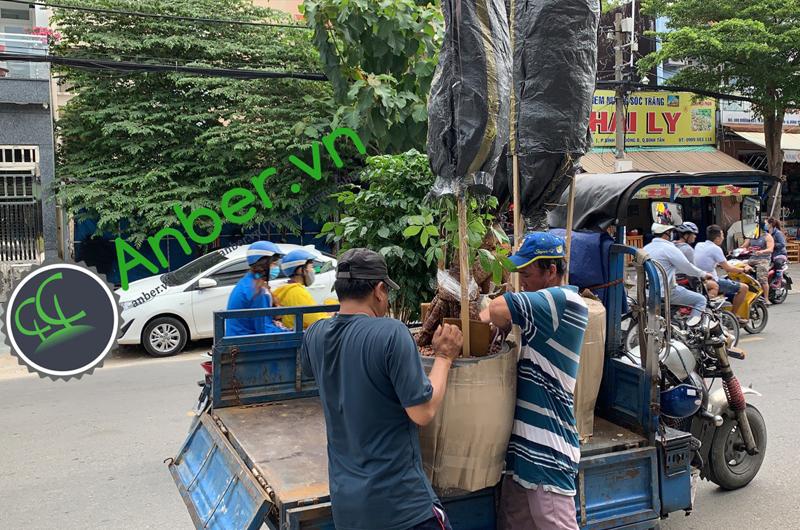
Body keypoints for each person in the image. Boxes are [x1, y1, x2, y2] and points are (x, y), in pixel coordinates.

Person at [299, 248, 463, 530]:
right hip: (401, 508)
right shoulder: (390, 333)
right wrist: (444, 357)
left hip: (348, 511)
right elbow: (422, 411)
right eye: (387, 292)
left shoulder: (315, 334)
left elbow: (318, 373)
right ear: (378, 290)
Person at [478, 233, 588, 530]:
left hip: (547, 455)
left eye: (526, 274)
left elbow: (496, 309)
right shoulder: (545, 307)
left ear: (551, 271)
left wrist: (493, 317)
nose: (521, 282)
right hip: (524, 455)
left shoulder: (563, 301)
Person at [643, 223, 714, 318]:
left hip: (647, 292)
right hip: (666, 292)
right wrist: (703, 274)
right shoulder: (669, 248)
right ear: (666, 233)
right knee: (701, 300)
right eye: (671, 232)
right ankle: (691, 329)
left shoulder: (645, 248)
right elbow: (687, 267)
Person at [225, 241, 288, 337]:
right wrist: (292, 332)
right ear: (263, 264)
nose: (277, 268)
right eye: (274, 264)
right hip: (247, 345)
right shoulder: (258, 291)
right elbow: (264, 330)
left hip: (239, 340)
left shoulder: (247, 282)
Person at [694, 225, 753, 324]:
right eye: (722, 235)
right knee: (744, 288)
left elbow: (704, 260)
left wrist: (715, 263)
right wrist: (743, 269)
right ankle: (734, 314)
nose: (723, 238)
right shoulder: (716, 249)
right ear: (717, 239)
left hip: (700, 279)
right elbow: (728, 268)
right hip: (712, 280)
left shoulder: (699, 245)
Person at [273, 249, 332, 330]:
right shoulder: (296, 292)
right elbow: (314, 319)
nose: (314, 271)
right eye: (311, 267)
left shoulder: (284, 287)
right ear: (301, 270)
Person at [739, 222, 774, 304]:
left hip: (763, 259)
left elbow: (770, 249)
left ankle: (766, 299)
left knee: (762, 279)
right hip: (752, 259)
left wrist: (761, 252)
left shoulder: (767, 237)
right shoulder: (751, 236)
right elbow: (744, 246)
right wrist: (735, 250)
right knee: (740, 269)